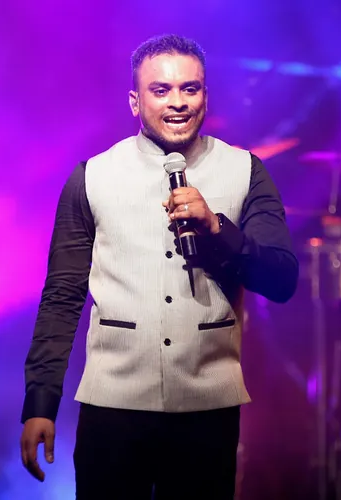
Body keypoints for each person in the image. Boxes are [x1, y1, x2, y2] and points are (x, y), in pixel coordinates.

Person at [20, 33, 298, 500]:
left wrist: (217, 229)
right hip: (114, 406)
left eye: (190, 88)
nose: (178, 102)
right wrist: (40, 401)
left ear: (205, 95)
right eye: (161, 90)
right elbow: (62, 296)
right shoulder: (92, 177)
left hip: (206, 409)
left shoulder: (246, 171)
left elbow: (282, 278)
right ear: (135, 101)